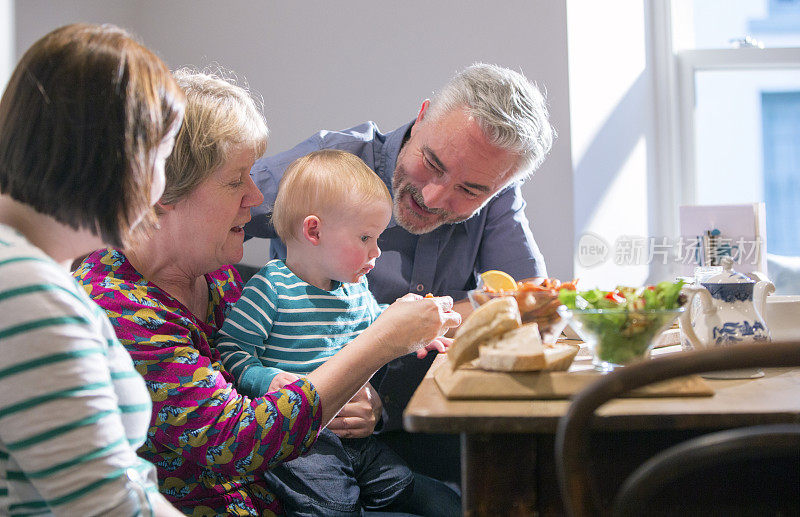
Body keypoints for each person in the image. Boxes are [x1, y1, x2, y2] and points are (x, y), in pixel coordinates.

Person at [74, 69, 461, 516]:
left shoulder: (212, 275)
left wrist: (360, 400)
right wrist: (378, 345)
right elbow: (235, 440)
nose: (256, 196)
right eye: (237, 179)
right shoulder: (116, 306)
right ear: (162, 188)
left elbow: (279, 373)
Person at [244, 62, 556, 478]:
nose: (433, 196)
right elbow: (201, 216)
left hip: (430, 426)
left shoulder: (496, 192)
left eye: (470, 191)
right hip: (311, 432)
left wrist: (421, 322)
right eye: (432, 162)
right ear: (422, 115)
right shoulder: (327, 164)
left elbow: (531, 306)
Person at [0, 23, 186, 516]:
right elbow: (108, 506)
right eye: (163, 157)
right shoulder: (27, 293)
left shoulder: (31, 270)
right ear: (120, 156)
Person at [216, 149, 460, 516]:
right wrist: (267, 380)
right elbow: (231, 350)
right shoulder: (271, 288)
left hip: (356, 440)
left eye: (377, 238)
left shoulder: (355, 291)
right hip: (301, 445)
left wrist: (419, 333)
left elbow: (381, 326)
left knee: (440, 499)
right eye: (365, 237)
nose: (376, 252)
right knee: (334, 508)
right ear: (313, 230)